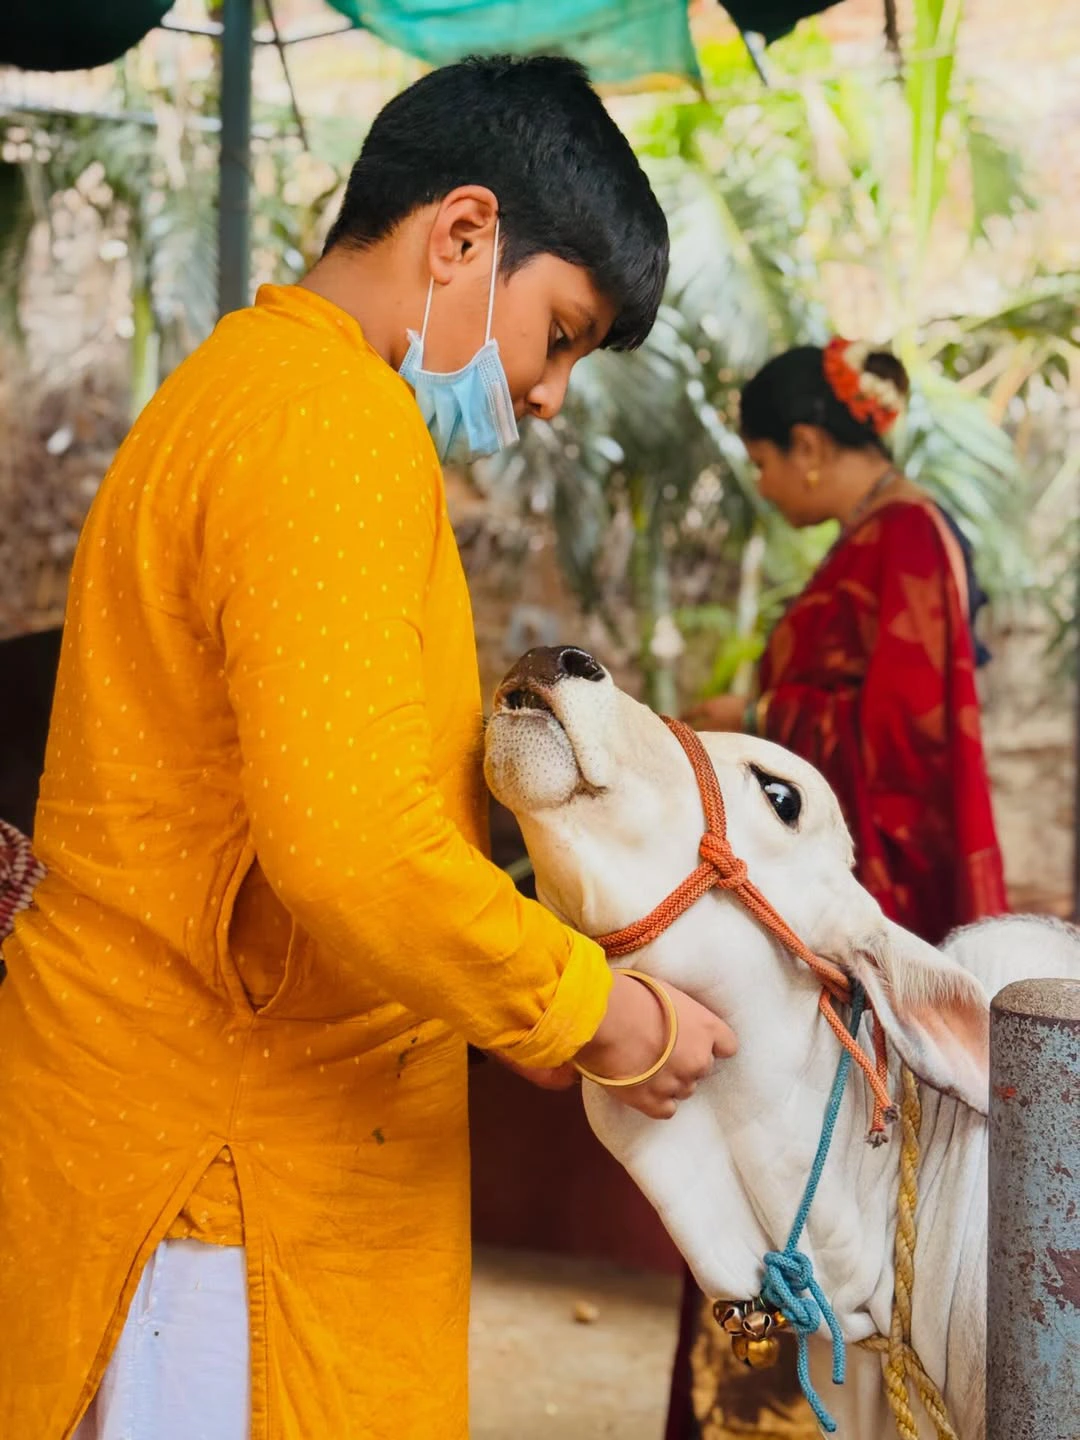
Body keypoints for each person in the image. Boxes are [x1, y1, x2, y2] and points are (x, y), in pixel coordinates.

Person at [0, 56, 737, 1440]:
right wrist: (608, 1018)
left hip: (163, 1142)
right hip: (223, 1181)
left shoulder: (241, 383)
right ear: (463, 235)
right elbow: (352, 850)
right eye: (560, 332)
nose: (550, 395)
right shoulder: (332, 426)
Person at [671, 337, 1007, 1439]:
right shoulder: (877, 542)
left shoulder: (905, 538)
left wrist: (766, 737)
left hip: (847, 933)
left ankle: (766, 1417)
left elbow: (902, 756)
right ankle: (754, 1413)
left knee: (787, 1191)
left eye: (764, 460)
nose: (764, 485)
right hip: (808, 927)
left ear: (810, 446)